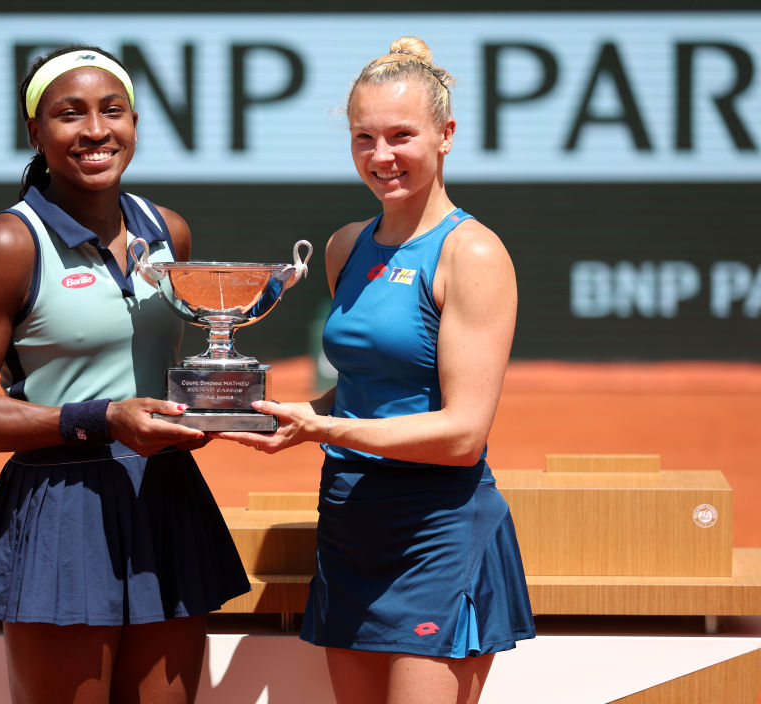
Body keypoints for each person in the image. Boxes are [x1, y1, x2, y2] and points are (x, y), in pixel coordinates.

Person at [214, 36, 536, 704]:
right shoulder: (344, 247)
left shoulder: (472, 254)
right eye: (364, 137)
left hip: (436, 530)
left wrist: (323, 429)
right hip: (349, 523)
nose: (381, 156)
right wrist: (293, 416)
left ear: (446, 136)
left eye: (401, 135)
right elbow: (368, 386)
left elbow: (462, 434)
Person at [0, 44, 250, 704]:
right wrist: (99, 419)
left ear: (134, 123)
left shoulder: (169, 232)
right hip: (62, 506)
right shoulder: (7, 245)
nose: (96, 130)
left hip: (166, 497)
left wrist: (205, 410)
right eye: (70, 114)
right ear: (35, 133)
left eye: (113, 110)